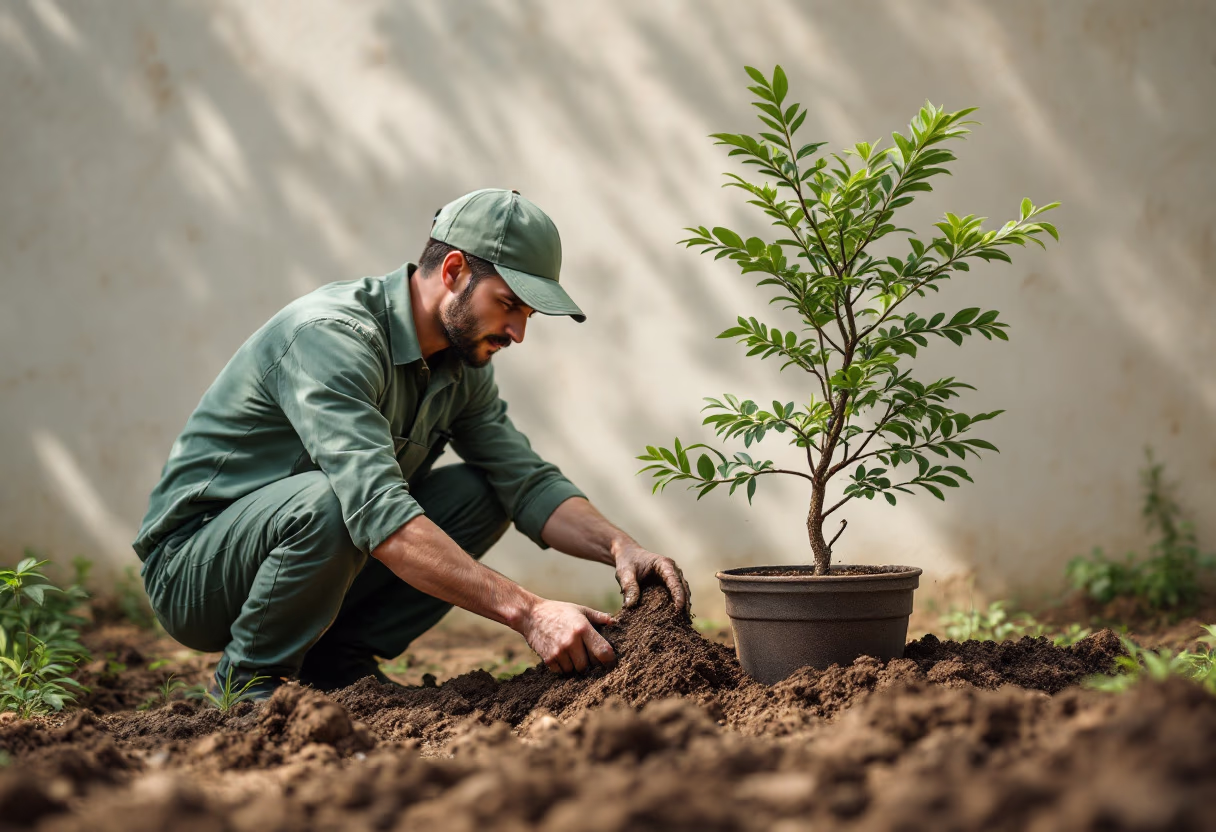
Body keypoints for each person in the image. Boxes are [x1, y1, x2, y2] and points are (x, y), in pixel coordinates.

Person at [134, 188, 688, 698]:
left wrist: (620, 547)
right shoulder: (333, 337)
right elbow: (378, 512)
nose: (519, 333)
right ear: (454, 271)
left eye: (528, 315)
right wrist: (530, 612)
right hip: (197, 571)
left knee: (484, 491)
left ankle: (337, 662)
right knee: (334, 500)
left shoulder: (461, 366)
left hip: (314, 557)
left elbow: (524, 480)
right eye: (509, 304)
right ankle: (250, 682)